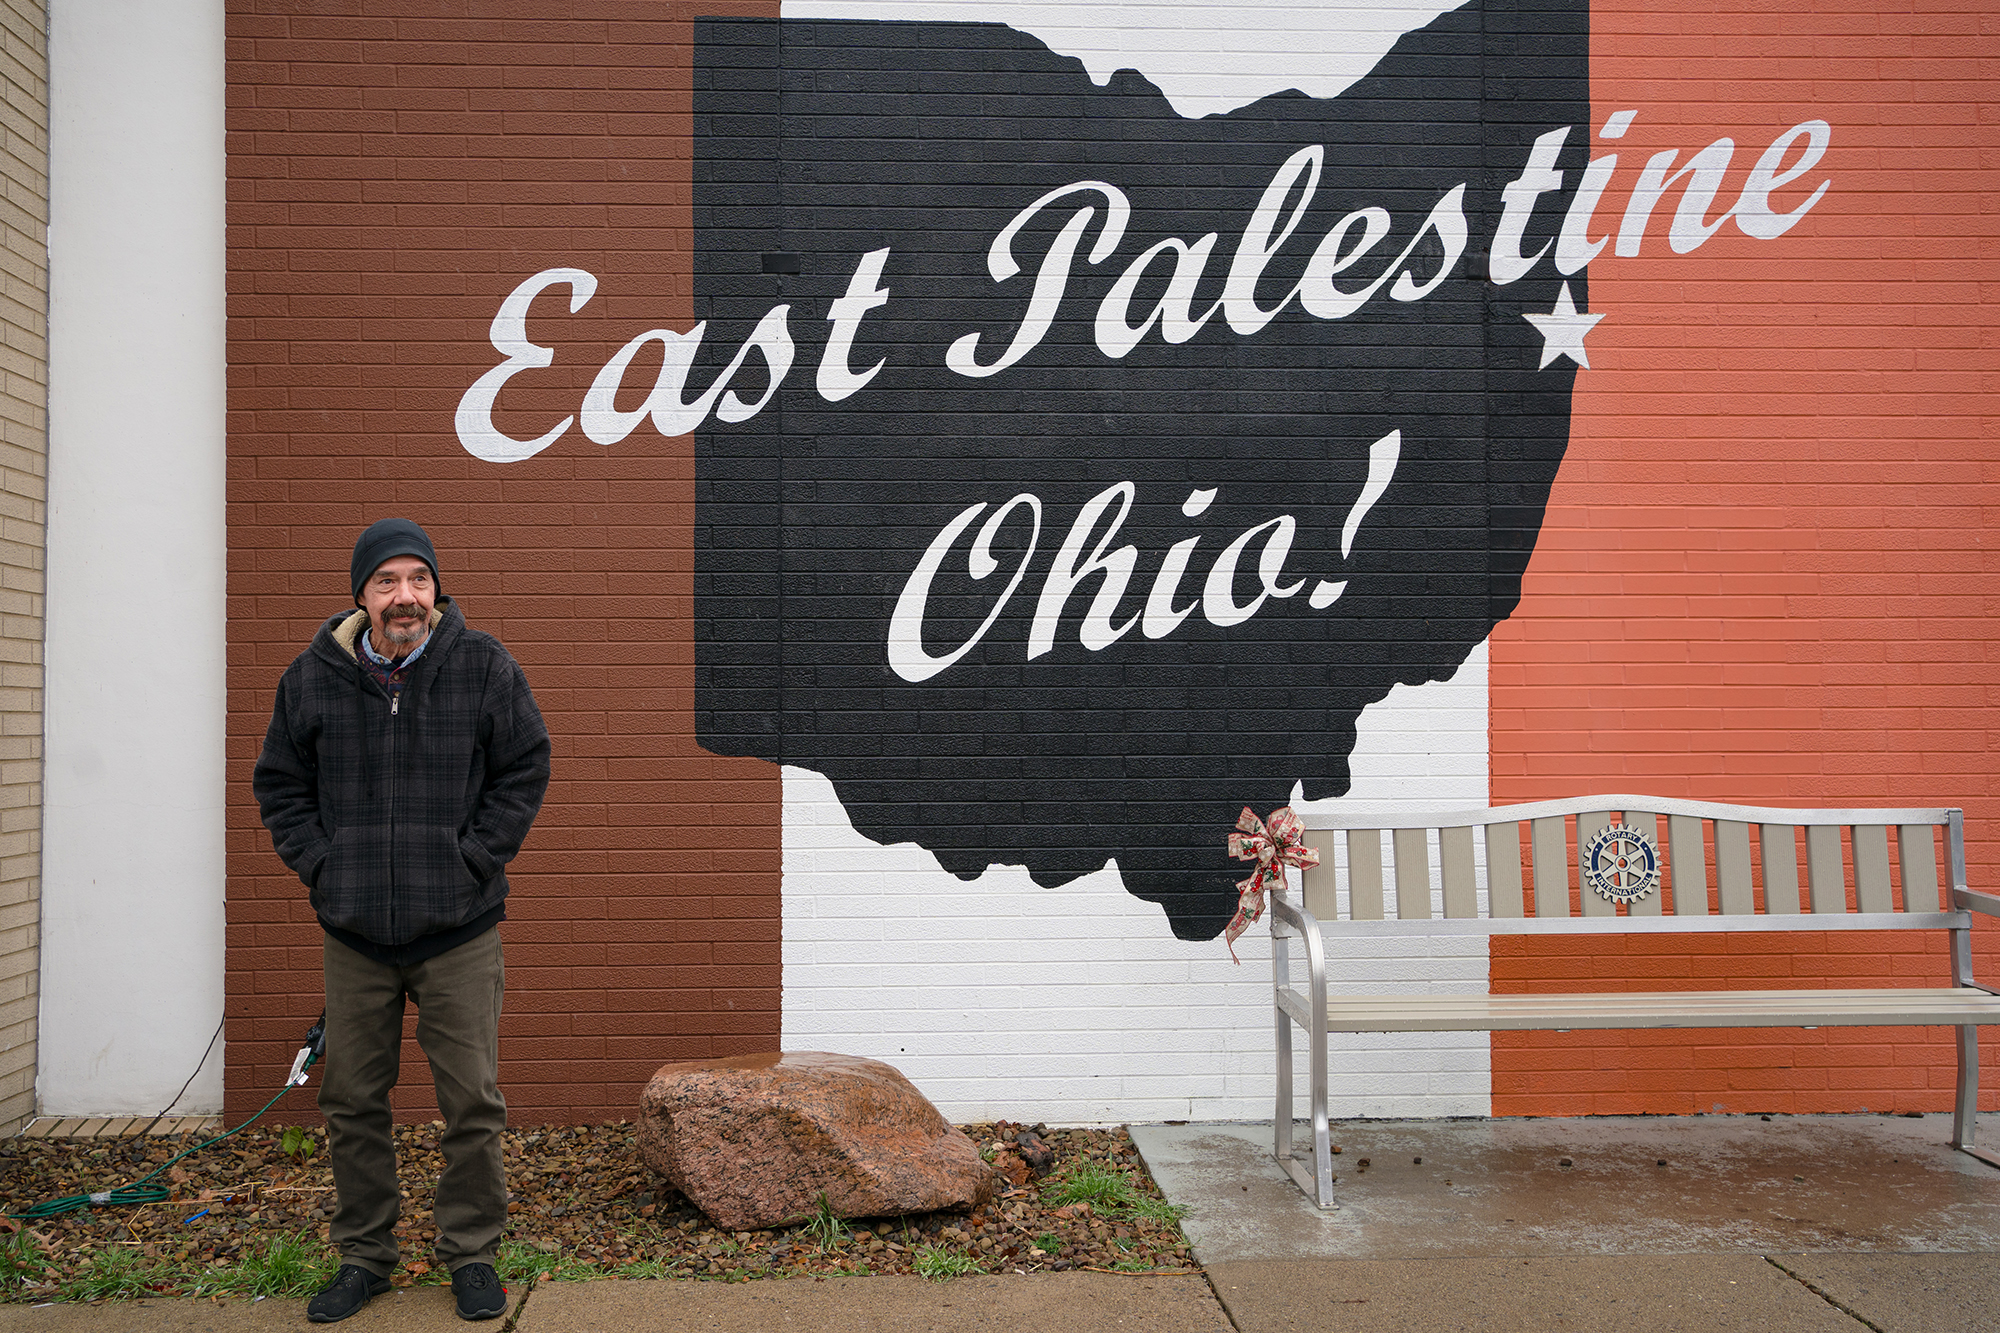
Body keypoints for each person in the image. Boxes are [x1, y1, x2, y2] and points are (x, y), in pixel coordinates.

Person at [254, 518, 551, 1322]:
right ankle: (365, 1256)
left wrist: (472, 859)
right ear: (361, 595)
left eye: (417, 579)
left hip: (459, 929)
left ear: (436, 591)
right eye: (386, 581)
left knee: (471, 1103)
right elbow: (279, 784)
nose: (404, 596)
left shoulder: (483, 666)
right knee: (352, 1101)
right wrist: (325, 865)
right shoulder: (311, 679)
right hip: (355, 937)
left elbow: (525, 768)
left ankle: (472, 1253)